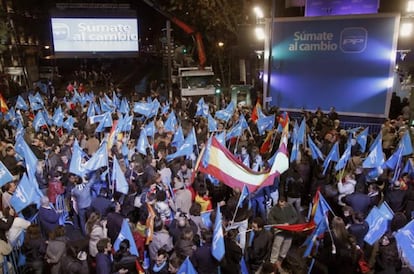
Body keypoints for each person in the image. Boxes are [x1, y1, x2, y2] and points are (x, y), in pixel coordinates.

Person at [267, 197, 298, 274]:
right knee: (276, 247)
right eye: (280, 202)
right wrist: (277, 225)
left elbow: (295, 217)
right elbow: (270, 219)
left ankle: (279, 263)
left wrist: (289, 223)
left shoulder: (290, 207)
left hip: (288, 231)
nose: (281, 204)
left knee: (285, 248)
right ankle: (272, 267)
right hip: (279, 231)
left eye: (283, 202)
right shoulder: (274, 209)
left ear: (285, 202)